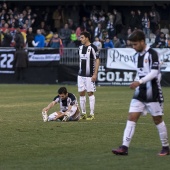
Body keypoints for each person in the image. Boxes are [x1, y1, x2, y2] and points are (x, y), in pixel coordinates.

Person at [112, 29, 169, 156]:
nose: (133, 47)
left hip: (153, 91)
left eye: (135, 44)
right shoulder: (136, 56)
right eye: (132, 45)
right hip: (140, 92)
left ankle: (165, 147)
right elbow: (140, 72)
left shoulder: (153, 54)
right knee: (132, 117)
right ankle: (124, 147)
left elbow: (154, 73)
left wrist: (140, 82)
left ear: (142, 42)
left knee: (157, 120)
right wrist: (136, 81)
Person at [78, 31, 100, 120]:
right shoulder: (79, 48)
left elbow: (97, 60)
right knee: (81, 93)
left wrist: (95, 74)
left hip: (89, 75)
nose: (80, 39)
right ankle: (83, 113)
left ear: (87, 38)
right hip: (80, 75)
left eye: (82, 37)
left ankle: (91, 114)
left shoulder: (93, 48)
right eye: (80, 37)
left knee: (90, 93)